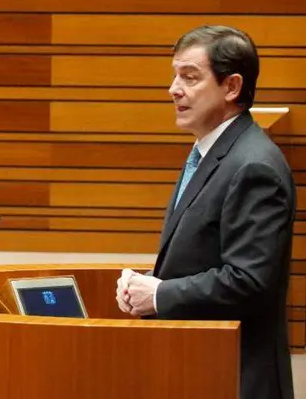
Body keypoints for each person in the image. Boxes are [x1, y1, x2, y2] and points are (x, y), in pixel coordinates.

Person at [116, 26, 294, 399]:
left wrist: (162, 293)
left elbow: (249, 282)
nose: (173, 89)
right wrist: (147, 284)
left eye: (189, 77)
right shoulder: (210, 151)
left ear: (231, 87)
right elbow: (204, 254)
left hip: (236, 377)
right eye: (174, 75)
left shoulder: (253, 165)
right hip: (201, 368)